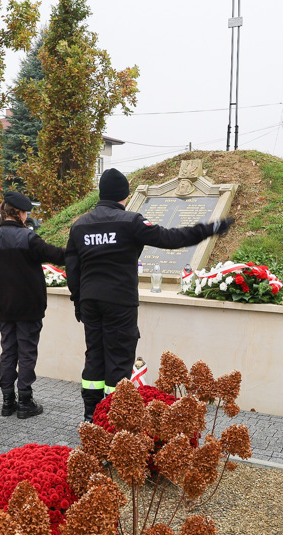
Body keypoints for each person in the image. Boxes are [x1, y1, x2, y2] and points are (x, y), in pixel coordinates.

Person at [65, 168, 234, 422]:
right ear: (124, 195)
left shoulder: (80, 226)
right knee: (119, 358)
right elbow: (171, 238)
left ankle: (90, 415)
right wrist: (210, 229)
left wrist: (78, 301)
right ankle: (113, 417)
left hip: (90, 301)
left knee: (95, 356)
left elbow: (72, 268)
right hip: (119, 301)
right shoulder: (131, 222)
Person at [0, 191, 66, 419]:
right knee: (27, 352)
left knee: (8, 351)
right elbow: (57, 255)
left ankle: (7, 401)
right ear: (19, 213)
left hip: (4, 309)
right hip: (29, 308)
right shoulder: (28, 238)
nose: (27, 216)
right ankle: (25, 402)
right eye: (26, 212)